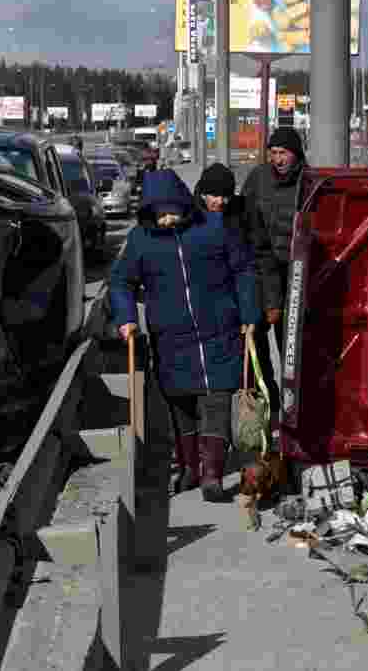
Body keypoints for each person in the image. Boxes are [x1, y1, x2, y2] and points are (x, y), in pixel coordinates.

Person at [110, 168, 260, 502]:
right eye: (159, 214)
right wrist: (126, 318)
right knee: (181, 406)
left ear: (183, 205)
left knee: (217, 400)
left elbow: (243, 270)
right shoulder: (140, 240)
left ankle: (212, 475)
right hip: (171, 338)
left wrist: (250, 312)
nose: (166, 219)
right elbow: (121, 282)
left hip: (219, 331)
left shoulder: (215, 228)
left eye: (171, 212)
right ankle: (190, 468)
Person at [240, 127, 308, 421]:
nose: (278, 159)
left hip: (295, 272)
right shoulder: (258, 178)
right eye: (274, 153)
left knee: (290, 344)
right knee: (255, 338)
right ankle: (269, 400)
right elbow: (242, 214)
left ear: (296, 154)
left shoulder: (310, 181)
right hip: (260, 267)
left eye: (284, 153)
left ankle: (296, 406)